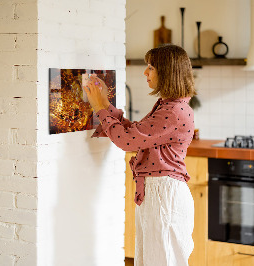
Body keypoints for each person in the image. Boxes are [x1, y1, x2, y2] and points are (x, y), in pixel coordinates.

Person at [84, 44, 196, 266]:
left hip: (164, 195)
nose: (145, 72)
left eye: (151, 67)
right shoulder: (169, 106)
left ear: (167, 72)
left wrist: (99, 108)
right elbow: (135, 133)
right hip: (159, 193)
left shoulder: (173, 111)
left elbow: (127, 141)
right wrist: (105, 104)